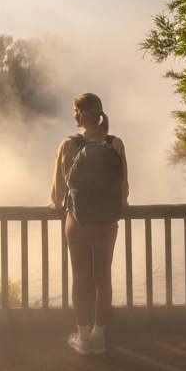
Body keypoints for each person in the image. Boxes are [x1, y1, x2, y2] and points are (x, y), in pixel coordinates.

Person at [50, 92, 129, 355]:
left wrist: (56, 204)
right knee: (103, 278)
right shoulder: (115, 143)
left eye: (75, 111)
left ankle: (82, 337)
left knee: (80, 278)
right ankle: (99, 337)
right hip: (107, 221)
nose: (73, 115)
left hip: (78, 220)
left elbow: (58, 193)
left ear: (83, 114)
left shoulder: (68, 144)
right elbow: (123, 187)